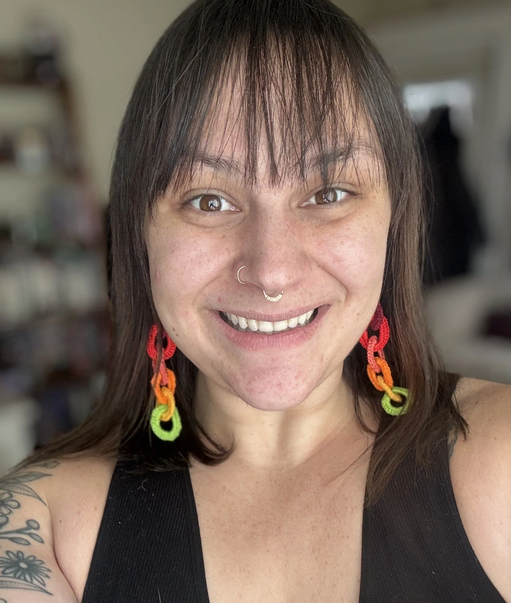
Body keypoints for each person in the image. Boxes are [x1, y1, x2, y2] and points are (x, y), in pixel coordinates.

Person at [1, 0, 510, 601]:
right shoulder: (42, 525)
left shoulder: (499, 461)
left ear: (392, 222)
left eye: (329, 192)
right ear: (140, 236)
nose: (271, 271)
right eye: (209, 201)